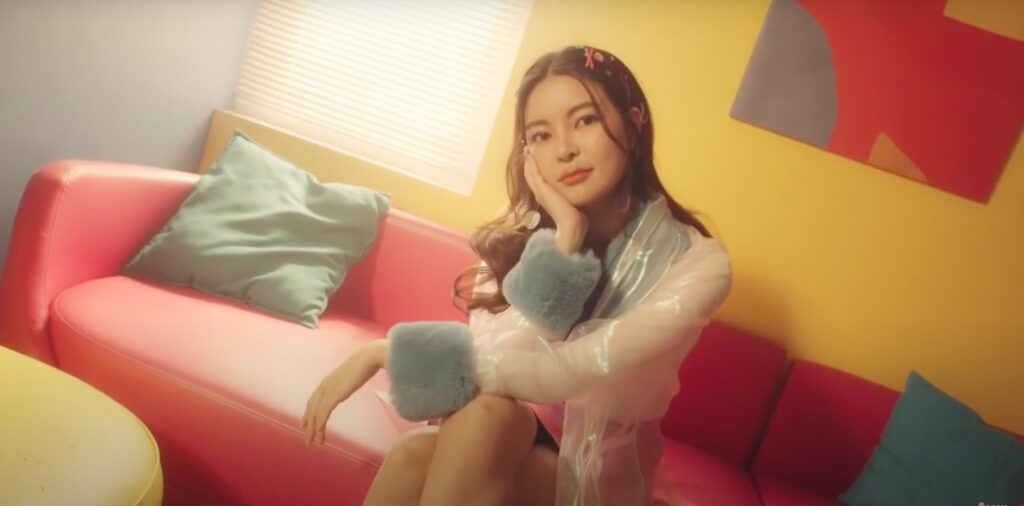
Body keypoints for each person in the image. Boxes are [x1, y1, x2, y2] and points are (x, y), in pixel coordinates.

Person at [302, 45, 732, 506]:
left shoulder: (698, 265)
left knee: (470, 426)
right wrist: (566, 236)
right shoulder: (530, 235)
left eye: (585, 120)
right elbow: (505, 351)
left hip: (598, 467)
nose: (564, 150)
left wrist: (387, 352)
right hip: (511, 429)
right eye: (541, 135)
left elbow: (571, 370)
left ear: (633, 122)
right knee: (424, 449)